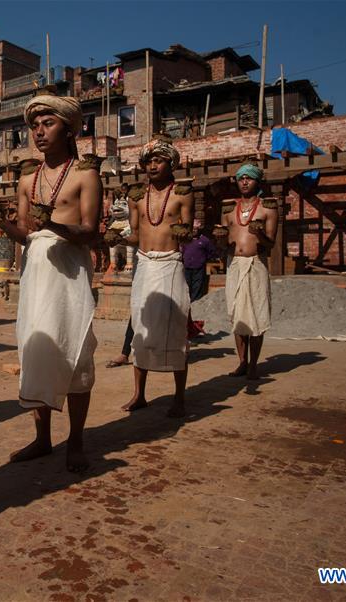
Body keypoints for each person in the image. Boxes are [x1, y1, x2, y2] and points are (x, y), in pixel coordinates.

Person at [0, 94, 101, 472]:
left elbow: (90, 232)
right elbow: (25, 234)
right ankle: (42, 439)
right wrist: (1, 226)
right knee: (36, 351)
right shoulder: (27, 179)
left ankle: (78, 441)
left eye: (47, 124)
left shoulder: (86, 174)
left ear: (69, 129)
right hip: (36, 272)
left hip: (69, 272)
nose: (38, 132)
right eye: (34, 125)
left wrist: (52, 226)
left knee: (75, 353)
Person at [118, 137, 192, 417]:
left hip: (171, 264)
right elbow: (136, 234)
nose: (152, 165)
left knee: (175, 329)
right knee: (141, 326)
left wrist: (186, 233)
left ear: (170, 163)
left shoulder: (183, 193)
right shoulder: (136, 196)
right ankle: (139, 394)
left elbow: (188, 230)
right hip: (144, 265)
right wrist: (120, 238)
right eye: (148, 161)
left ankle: (180, 398)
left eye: (158, 160)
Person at [213, 164, 277, 380]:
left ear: (257, 181)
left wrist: (260, 235)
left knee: (257, 316)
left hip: (256, 264)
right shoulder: (229, 209)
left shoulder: (268, 208)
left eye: (249, 178)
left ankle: (254, 364)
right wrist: (221, 240)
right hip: (234, 264)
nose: (245, 182)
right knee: (238, 316)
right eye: (241, 179)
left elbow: (271, 244)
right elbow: (224, 245)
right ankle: (242, 361)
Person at [182, 218, 219, 301]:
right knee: (186, 286)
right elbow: (182, 250)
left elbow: (211, 251)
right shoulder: (186, 239)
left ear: (199, 229)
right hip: (187, 267)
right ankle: (186, 303)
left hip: (199, 268)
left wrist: (204, 259)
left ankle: (195, 304)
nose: (194, 230)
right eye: (192, 228)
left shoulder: (204, 240)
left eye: (195, 228)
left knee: (197, 287)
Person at [108, 183, 133, 272]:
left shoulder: (129, 201)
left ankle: (130, 263)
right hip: (116, 224)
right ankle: (112, 263)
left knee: (129, 244)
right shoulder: (113, 222)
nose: (118, 206)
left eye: (122, 204)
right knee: (112, 244)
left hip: (126, 224)